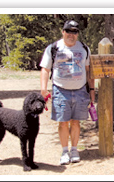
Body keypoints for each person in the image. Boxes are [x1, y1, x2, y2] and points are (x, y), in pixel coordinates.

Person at [39, 20, 95, 165]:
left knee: (76, 122)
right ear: (63, 32)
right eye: (68, 31)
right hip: (60, 89)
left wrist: (92, 90)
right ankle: (65, 151)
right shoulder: (54, 47)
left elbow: (89, 71)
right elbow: (45, 69)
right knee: (63, 123)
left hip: (80, 90)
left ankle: (74, 150)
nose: (71, 34)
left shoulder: (84, 49)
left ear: (77, 34)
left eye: (74, 32)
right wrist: (44, 89)